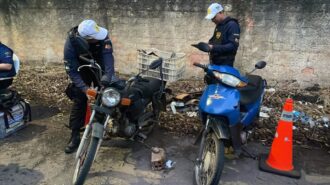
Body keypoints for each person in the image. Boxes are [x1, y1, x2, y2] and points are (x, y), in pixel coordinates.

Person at [63, 19, 116, 154]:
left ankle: (102, 125)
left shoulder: (101, 34)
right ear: (85, 39)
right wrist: (84, 88)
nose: (101, 38)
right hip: (81, 66)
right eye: (95, 38)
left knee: (107, 94)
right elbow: (72, 71)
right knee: (79, 98)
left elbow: (108, 58)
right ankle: (75, 135)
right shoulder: (71, 44)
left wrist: (107, 77)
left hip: (99, 63)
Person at [205, 3, 241, 67]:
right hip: (215, 62)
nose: (212, 20)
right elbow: (217, 40)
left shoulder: (232, 25)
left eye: (213, 17)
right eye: (211, 18)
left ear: (220, 12)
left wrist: (213, 47)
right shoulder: (219, 25)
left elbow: (233, 46)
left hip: (225, 65)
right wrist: (208, 45)